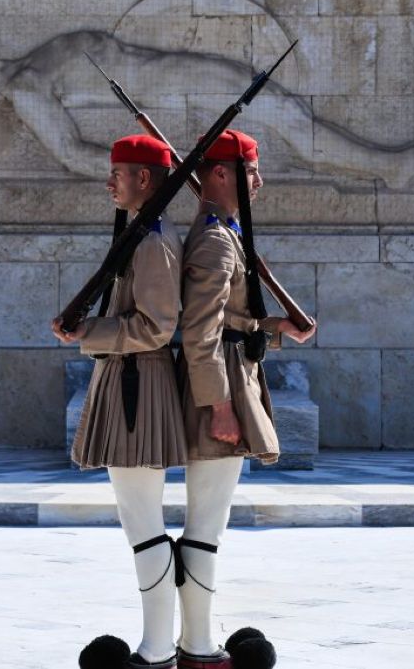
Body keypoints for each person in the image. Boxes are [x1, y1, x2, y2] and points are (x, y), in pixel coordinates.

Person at [174, 129, 315, 668]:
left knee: (209, 525)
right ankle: (199, 648)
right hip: (222, 389)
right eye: (251, 171)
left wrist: (276, 328)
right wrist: (221, 405)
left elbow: (235, 323)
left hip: (232, 377)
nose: (259, 181)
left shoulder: (225, 233)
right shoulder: (214, 240)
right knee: (206, 527)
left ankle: (193, 638)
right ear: (219, 174)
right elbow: (201, 331)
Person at [53, 134, 187, 669]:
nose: (110, 181)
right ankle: (162, 642)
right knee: (139, 519)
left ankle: (157, 648)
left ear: (146, 181)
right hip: (128, 378)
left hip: (138, 382)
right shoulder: (141, 232)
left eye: (121, 172)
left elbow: (156, 326)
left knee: (141, 520)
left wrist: (91, 330)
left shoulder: (153, 241)